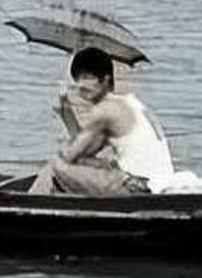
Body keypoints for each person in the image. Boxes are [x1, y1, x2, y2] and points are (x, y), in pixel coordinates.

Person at [31, 46, 175, 195]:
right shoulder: (132, 102)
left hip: (140, 187)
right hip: (159, 182)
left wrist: (67, 113)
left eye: (87, 80)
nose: (81, 90)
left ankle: (30, 201)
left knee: (56, 164)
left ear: (105, 80)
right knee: (91, 163)